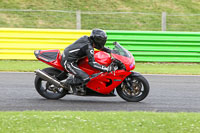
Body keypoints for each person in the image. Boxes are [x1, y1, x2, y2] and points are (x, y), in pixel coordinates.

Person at [61, 29, 112, 94]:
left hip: (74, 58)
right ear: (97, 40)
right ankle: (66, 83)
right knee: (86, 78)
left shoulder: (88, 40)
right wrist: (106, 69)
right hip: (68, 61)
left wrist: (111, 51)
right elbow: (92, 63)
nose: (103, 41)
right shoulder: (89, 47)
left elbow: (98, 47)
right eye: (102, 40)